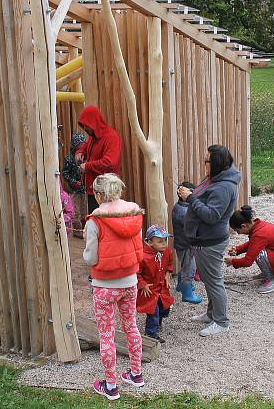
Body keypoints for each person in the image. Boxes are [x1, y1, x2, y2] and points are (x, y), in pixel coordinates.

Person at [82, 173, 145, 400]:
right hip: (130, 281)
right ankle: (136, 374)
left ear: (99, 194)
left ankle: (110, 385)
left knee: (106, 334)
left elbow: (90, 257)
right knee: (131, 326)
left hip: (105, 286)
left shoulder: (95, 221)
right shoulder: (134, 213)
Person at [177, 145, 240, 337]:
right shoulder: (217, 178)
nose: (205, 163)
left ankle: (221, 322)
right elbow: (204, 198)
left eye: (207, 160)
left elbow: (212, 215)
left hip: (211, 241)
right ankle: (212, 314)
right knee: (210, 279)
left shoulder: (223, 187)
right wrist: (193, 193)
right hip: (204, 239)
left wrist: (190, 198)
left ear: (216, 164)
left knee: (214, 281)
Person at [224, 205, 274, 293]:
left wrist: (232, 262)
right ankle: (269, 273)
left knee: (259, 253)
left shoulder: (259, 234)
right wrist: (238, 249)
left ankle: (272, 280)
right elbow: (254, 243)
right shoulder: (259, 226)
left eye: (237, 231)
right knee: (258, 249)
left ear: (244, 226)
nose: (238, 233)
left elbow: (248, 261)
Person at [75, 106, 122, 215]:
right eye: (84, 126)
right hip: (95, 191)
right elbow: (85, 146)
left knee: (105, 222)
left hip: (107, 192)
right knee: (95, 223)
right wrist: (80, 152)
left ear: (94, 123)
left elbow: (110, 162)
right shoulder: (93, 136)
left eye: (87, 126)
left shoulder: (111, 137)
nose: (85, 129)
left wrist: (87, 166)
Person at [137, 225, 174, 343]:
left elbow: (169, 262)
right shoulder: (143, 256)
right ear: (150, 242)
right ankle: (150, 333)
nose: (164, 244)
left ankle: (157, 323)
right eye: (160, 241)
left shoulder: (166, 251)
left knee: (165, 308)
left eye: (165, 240)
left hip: (162, 287)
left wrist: (168, 273)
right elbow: (136, 273)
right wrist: (142, 284)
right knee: (153, 311)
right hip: (150, 289)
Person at [171, 181, 202, 304]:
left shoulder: (180, 207)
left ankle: (181, 285)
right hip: (186, 245)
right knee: (190, 269)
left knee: (185, 265)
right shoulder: (184, 212)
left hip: (182, 244)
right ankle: (187, 293)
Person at [62, 132, 88, 238]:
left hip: (85, 189)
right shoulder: (69, 159)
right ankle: (77, 231)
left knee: (85, 210)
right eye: (78, 146)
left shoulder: (86, 157)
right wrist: (73, 182)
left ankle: (86, 230)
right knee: (75, 210)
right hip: (74, 190)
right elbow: (65, 173)